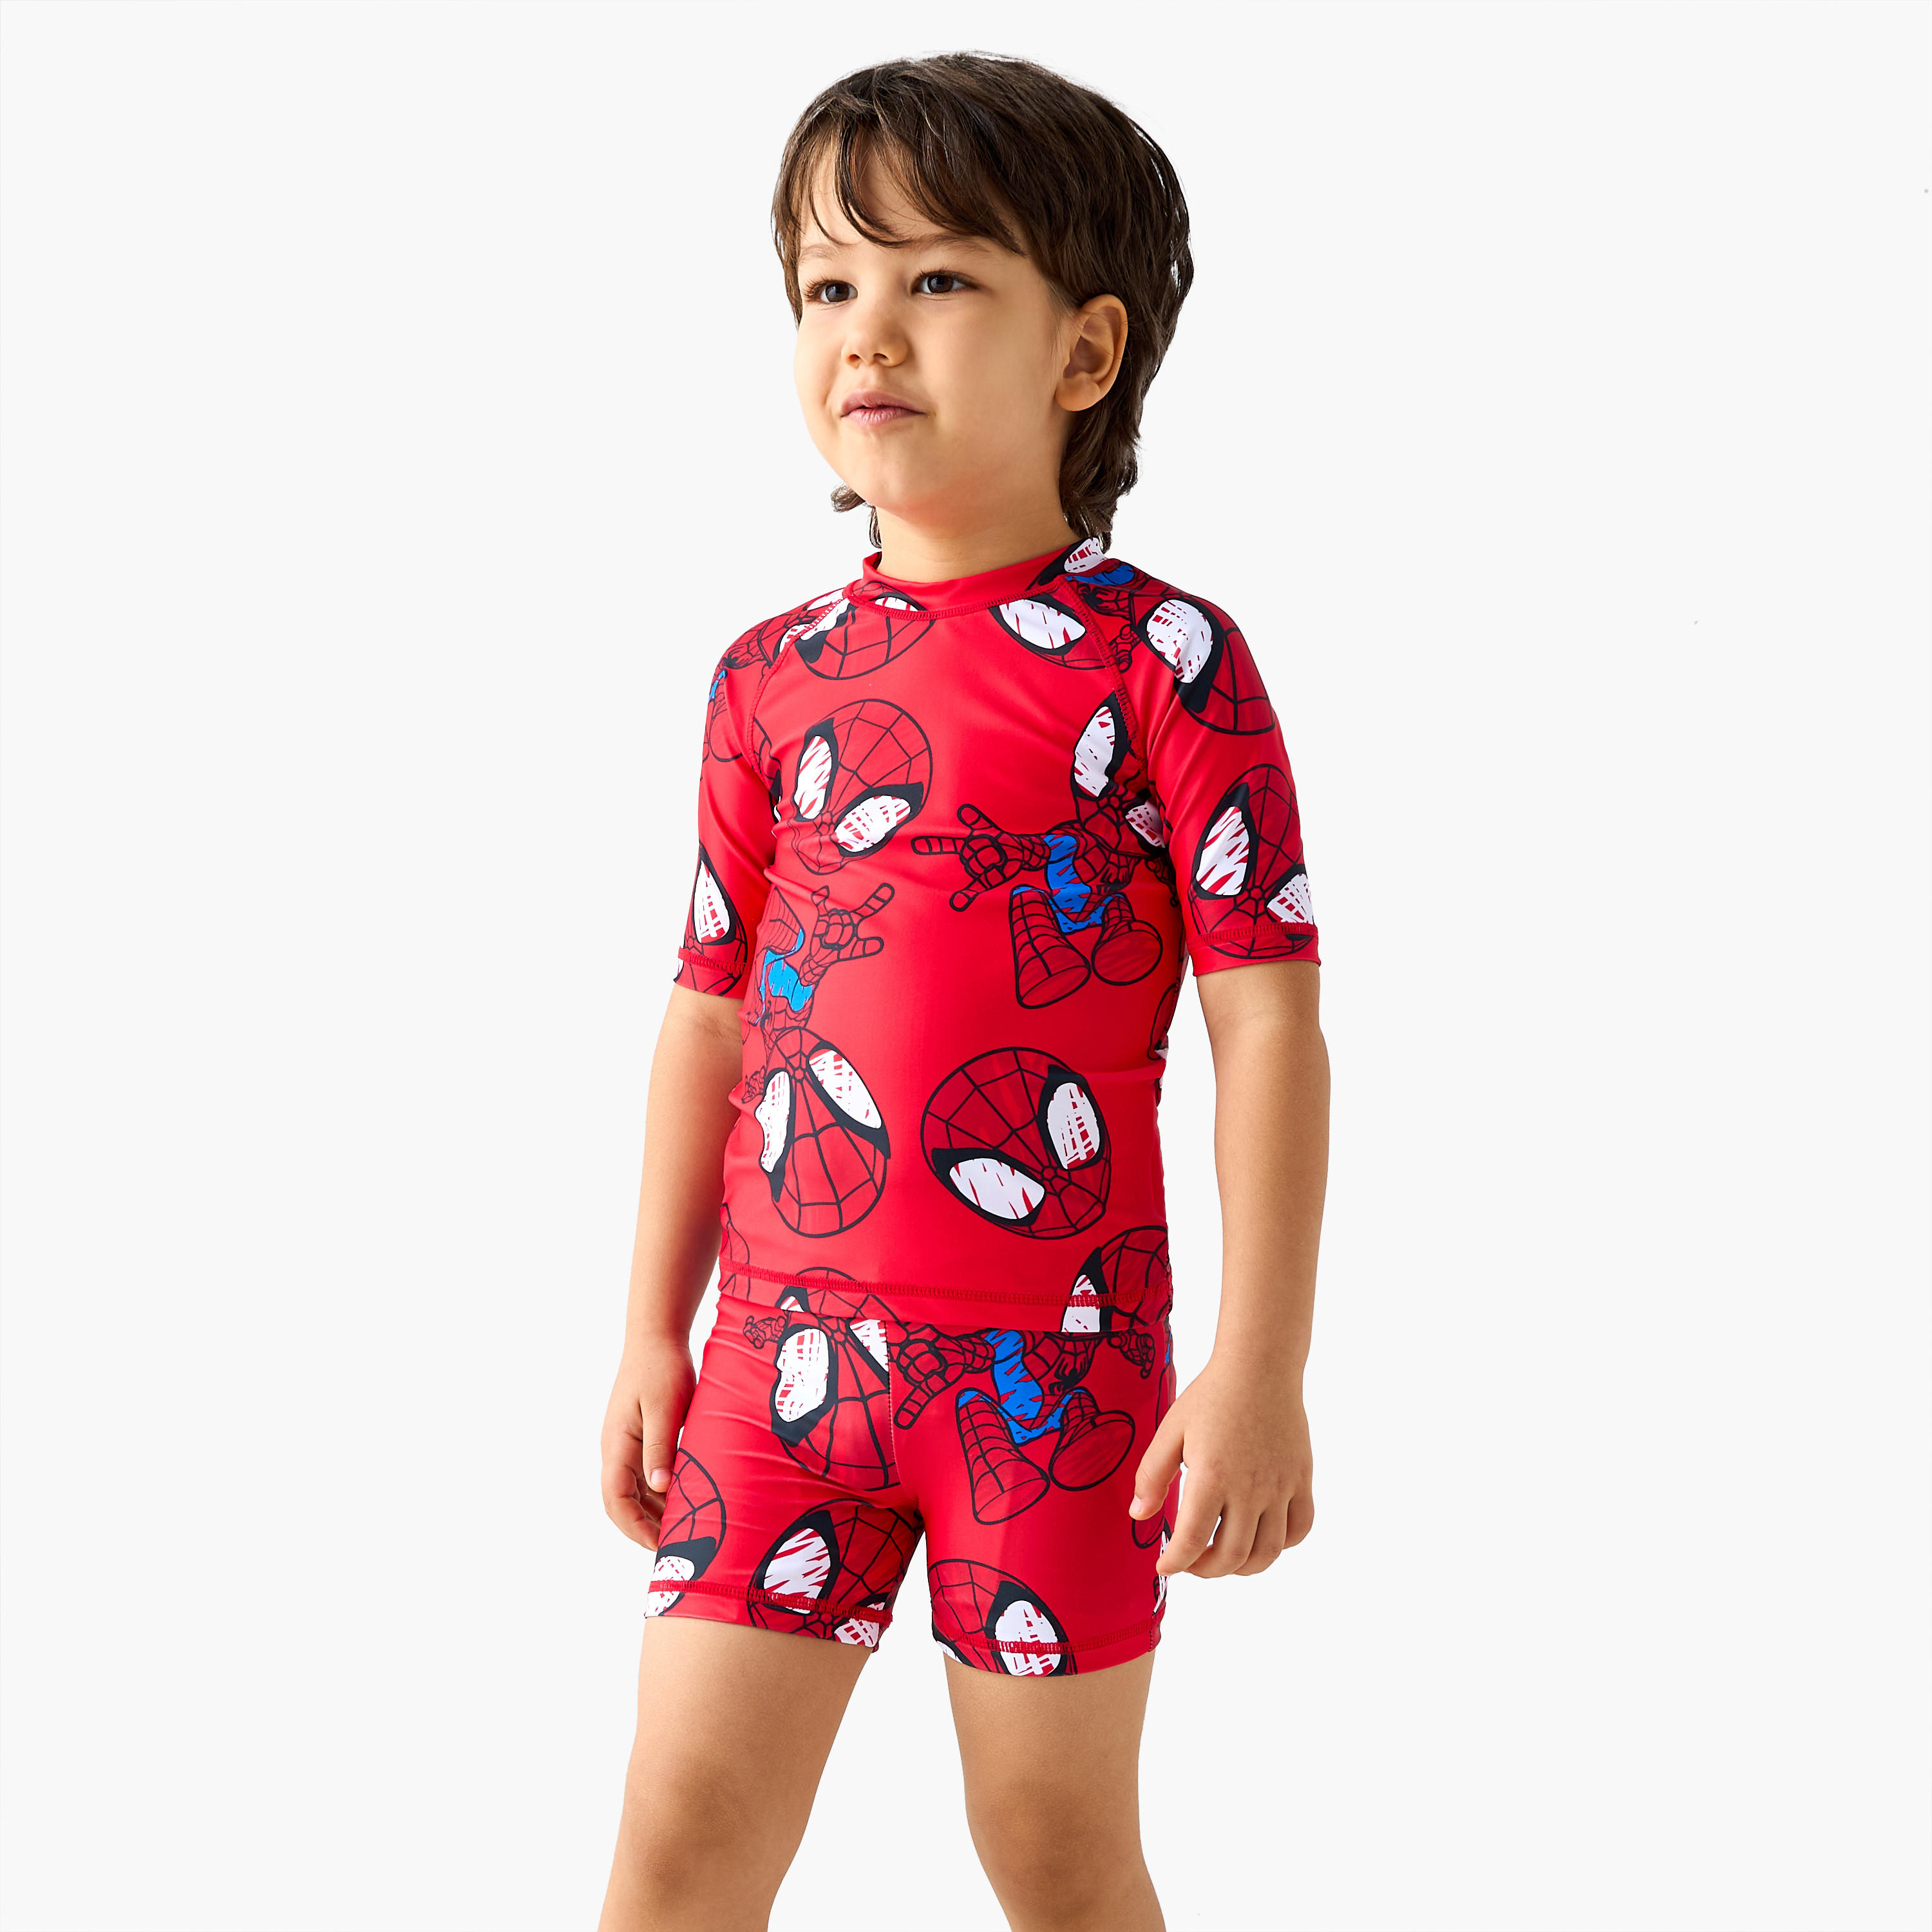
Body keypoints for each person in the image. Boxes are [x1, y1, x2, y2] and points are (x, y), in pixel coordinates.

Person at [597, 50, 1329, 1932]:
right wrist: (653, 1329)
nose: (868, 329)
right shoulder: (766, 678)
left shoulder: (1167, 663)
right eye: (827, 284)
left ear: (1086, 353)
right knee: (678, 1851)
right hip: (776, 1371)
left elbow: (1265, 1018)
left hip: (1056, 1382)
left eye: (937, 279)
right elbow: (709, 1012)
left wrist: (1260, 1366)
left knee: (1056, 1859)